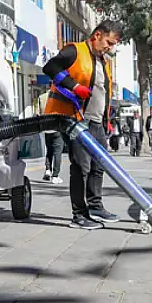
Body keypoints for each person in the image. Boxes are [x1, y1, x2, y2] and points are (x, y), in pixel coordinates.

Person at [42, 20, 122, 230]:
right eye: (108, 42)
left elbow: (102, 92)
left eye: (112, 44)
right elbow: (50, 67)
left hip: (97, 120)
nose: (109, 47)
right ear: (97, 35)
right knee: (81, 166)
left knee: (99, 165)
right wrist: (74, 86)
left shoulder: (103, 61)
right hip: (77, 118)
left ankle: (95, 206)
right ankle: (79, 214)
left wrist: (107, 120)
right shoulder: (74, 51)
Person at [38, 90, 64, 184]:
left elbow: (39, 112)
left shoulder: (42, 97)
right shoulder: (60, 97)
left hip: (46, 128)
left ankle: (48, 170)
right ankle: (55, 176)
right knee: (58, 153)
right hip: (57, 128)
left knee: (49, 150)